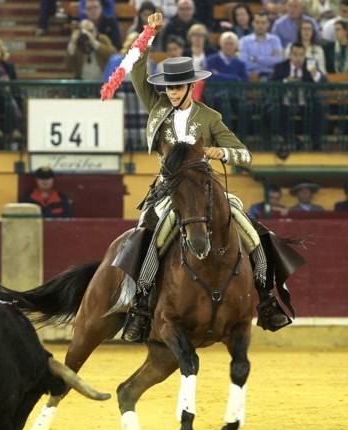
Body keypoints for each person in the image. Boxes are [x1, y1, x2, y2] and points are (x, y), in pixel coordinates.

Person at [120, 12, 291, 342]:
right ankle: (141, 307)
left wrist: (221, 153)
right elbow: (137, 70)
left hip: (205, 188)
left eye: (177, 87)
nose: (170, 92)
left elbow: (244, 153)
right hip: (168, 190)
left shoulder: (209, 118)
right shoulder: (156, 106)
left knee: (251, 231)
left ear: (190, 86)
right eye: (168, 86)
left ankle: (267, 300)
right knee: (149, 238)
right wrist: (149, 33)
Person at [270, 42, 327, 151]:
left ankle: (316, 145)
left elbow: (324, 82)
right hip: (286, 103)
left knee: (318, 106)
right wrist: (286, 81)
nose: (298, 58)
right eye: (295, 54)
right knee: (272, 111)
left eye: (301, 55)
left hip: (305, 102)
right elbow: (270, 84)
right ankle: (294, 141)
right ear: (290, 55)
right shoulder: (281, 67)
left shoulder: (311, 64)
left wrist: (315, 74)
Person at [238, 11, 284, 81]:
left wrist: (255, 58)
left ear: (268, 24)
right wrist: (269, 60)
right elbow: (244, 62)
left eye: (263, 23)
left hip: (271, 76)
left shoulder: (275, 40)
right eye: (257, 23)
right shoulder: (245, 41)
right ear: (253, 24)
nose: (260, 26)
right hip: (251, 77)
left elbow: (278, 61)